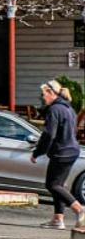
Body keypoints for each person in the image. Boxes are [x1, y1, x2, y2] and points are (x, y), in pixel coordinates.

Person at [31, 80, 83, 230]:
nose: (42, 98)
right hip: (72, 150)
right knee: (58, 185)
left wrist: (37, 152)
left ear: (51, 93)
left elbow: (48, 135)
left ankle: (79, 209)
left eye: (43, 94)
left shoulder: (54, 110)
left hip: (62, 152)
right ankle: (58, 219)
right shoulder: (69, 108)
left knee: (52, 185)